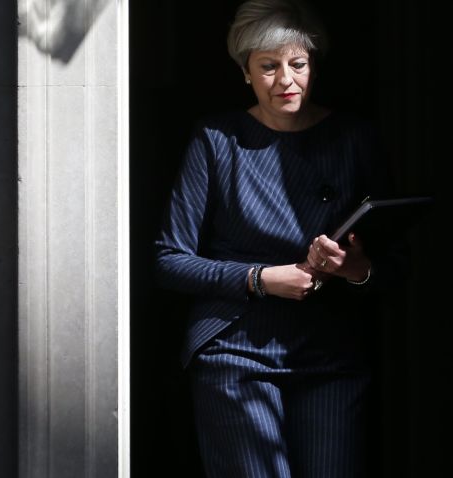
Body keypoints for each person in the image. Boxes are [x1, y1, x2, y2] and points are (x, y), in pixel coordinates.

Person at [154, 0, 403, 476]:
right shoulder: (216, 139)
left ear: (314, 65)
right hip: (235, 351)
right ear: (245, 72)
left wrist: (356, 270)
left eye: (298, 64)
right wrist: (261, 279)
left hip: (333, 354)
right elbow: (169, 259)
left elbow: (398, 265)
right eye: (268, 67)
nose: (285, 80)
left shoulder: (355, 139)